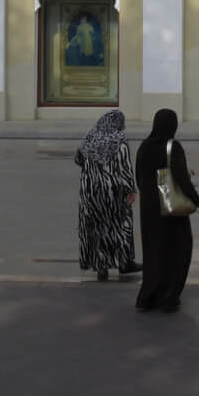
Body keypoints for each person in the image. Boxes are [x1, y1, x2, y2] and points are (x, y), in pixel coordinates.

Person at [133, 107, 199, 312]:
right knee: (178, 248)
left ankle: (149, 295)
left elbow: (138, 175)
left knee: (153, 250)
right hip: (171, 208)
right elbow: (181, 178)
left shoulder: (144, 146)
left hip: (149, 209)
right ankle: (168, 295)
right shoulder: (173, 147)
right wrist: (198, 201)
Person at [73, 110, 140, 281]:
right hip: (113, 192)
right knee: (120, 225)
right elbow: (125, 167)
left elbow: (78, 160)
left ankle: (101, 266)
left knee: (96, 227)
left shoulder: (89, 137)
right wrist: (131, 189)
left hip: (89, 192)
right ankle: (124, 262)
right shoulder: (119, 139)